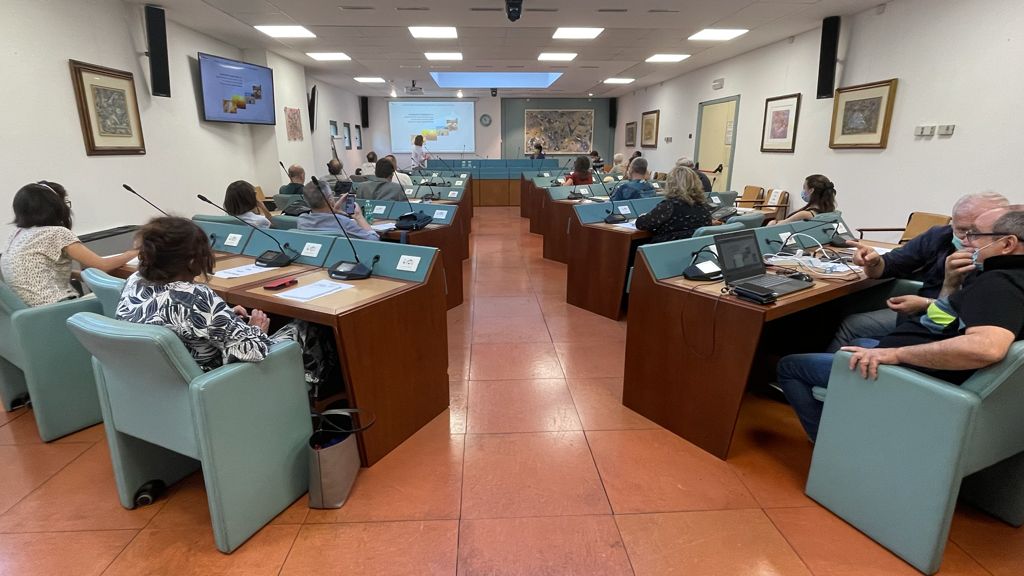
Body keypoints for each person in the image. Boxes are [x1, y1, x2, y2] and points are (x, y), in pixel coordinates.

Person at [777, 206, 1024, 442]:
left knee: (789, 366)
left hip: (908, 377)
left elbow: (986, 348)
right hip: (920, 361)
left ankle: (829, 439)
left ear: (1007, 244)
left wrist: (895, 354)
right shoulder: (1003, 277)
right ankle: (846, 406)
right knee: (858, 340)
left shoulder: (998, 283)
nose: (968, 241)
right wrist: (940, 293)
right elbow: (948, 320)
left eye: (976, 235)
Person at [116, 217, 336, 384]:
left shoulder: (135, 281)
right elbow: (253, 351)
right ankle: (302, 406)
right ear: (192, 262)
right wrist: (256, 329)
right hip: (219, 386)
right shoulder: (195, 297)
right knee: (307, 328)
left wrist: (225, 317)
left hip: (162, 384)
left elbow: (182, 323)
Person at [828, 192, 1010, 350]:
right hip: (926, 319)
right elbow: (887, 266)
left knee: (856, 346)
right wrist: (873, 261)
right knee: (853, 326)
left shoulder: (1005, 268)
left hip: (944, 332)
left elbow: (947, 326)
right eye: (962, 230)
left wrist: (928, 303)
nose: (968, 240)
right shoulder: (939, 237)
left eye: (977, 232)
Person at [2, 181, 138, 307]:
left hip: (32, 312)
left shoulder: (16, 235)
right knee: (130, 298)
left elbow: (38, 274)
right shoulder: (56, 233)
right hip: (59, 307)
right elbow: (102, 266)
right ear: (54, 206)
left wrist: (80, 275)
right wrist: (134, 252)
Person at [635, 166, 713, 244]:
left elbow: (642, 224)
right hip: (694, 249)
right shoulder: (704, 207)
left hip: (663, 248)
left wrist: (642, 216)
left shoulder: (669, 206)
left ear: (671, 184)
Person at [297, 181, 379, 241]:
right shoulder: (343, 222)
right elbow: (374, 240)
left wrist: (335, 211)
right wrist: (359, 217)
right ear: (330, 199)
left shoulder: (302, 220)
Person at [767, 174, 837, 225]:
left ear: (811, 190)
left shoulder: (805, 214)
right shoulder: (829, 210)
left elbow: (779, 225)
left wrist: (772, 223)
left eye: (804, 188)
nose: (803, 191)